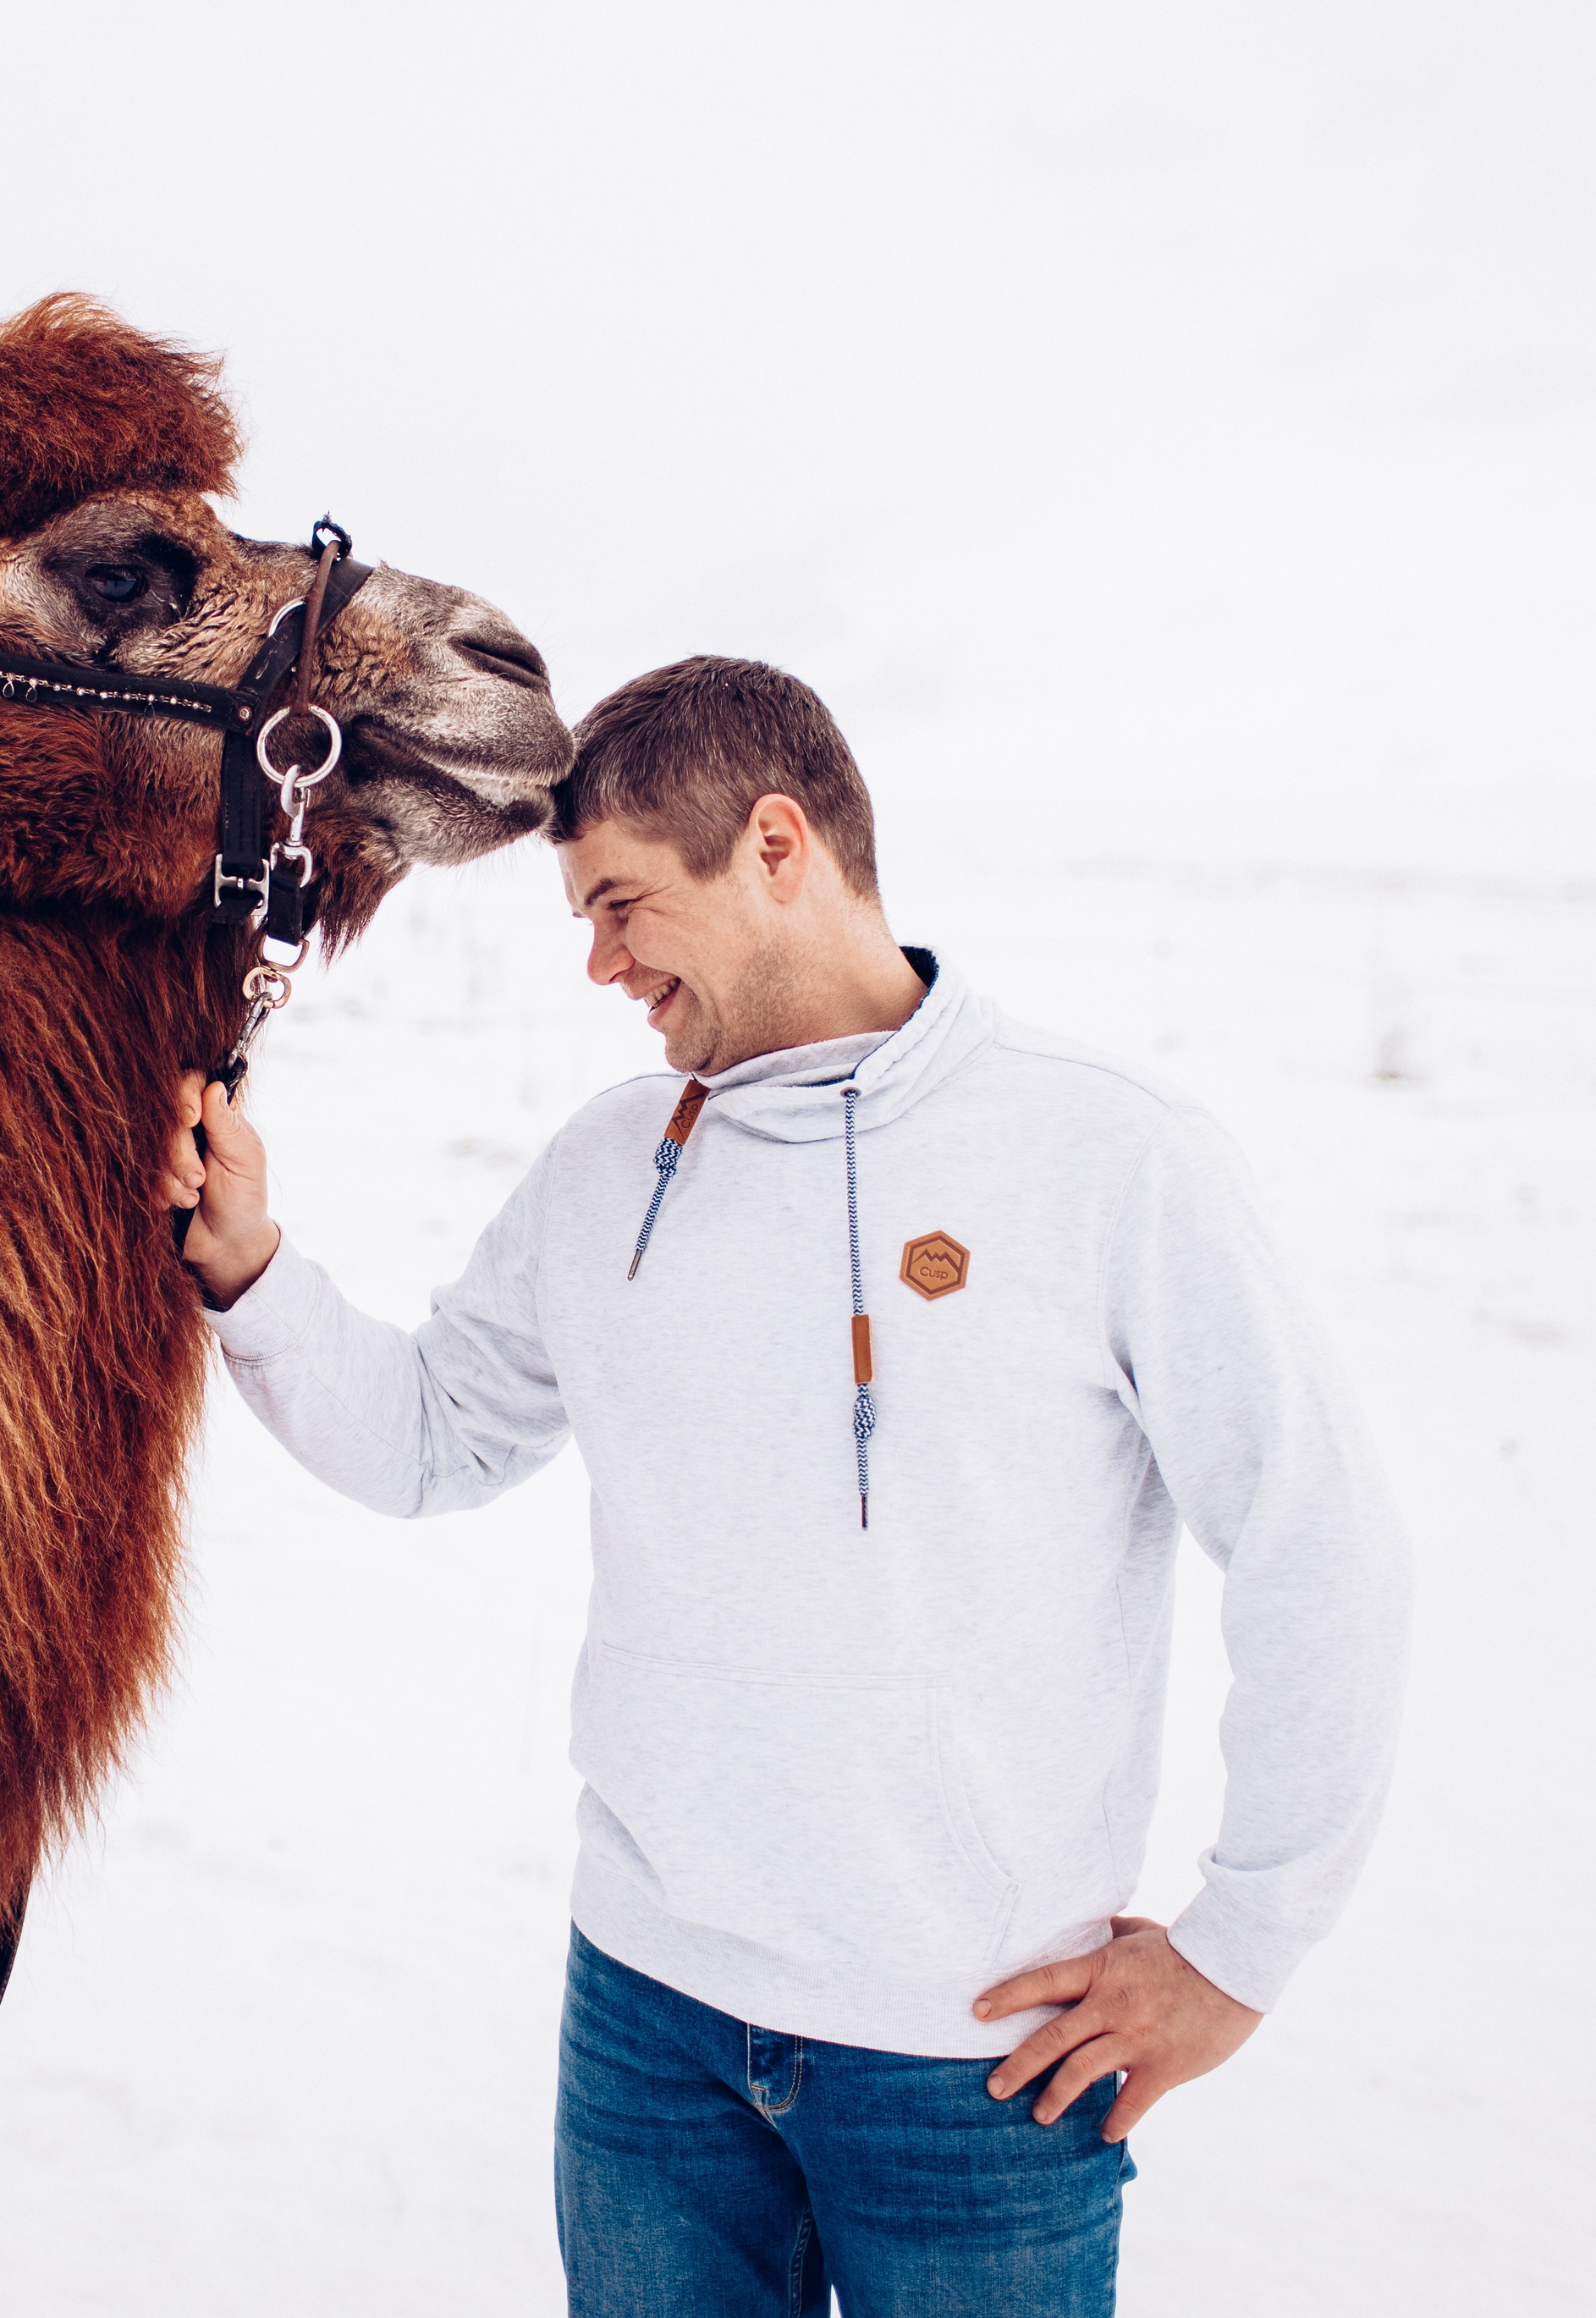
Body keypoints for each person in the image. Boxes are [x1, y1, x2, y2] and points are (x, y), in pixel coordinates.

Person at [159, 658, 1412, 2317]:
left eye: (619, 905)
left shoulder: (1106, 1157)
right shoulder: (611, 1163)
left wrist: (1236, 1948)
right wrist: (249, 1265)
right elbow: (432, 1433)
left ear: (772, 845)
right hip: (648, 2031)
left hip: (972, 2067)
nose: (599, 963)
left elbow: (1318, 1541)